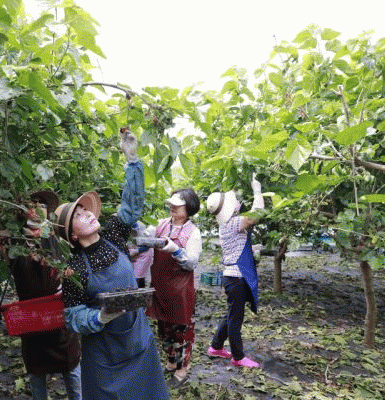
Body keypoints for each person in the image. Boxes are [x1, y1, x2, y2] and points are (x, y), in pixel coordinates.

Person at [54, 128, 169, 400]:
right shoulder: (74, 269)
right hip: (105, 355)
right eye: (79, 216)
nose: (87, 215)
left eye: (86, 210)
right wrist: (100, 317)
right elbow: (72, 317)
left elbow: (131, 206)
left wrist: (133, 161)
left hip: (137, 340)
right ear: (72, 235)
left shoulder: (114, 237)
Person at [0, 190, 82, 400]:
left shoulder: (56, 236)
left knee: (71, 368)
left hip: (57, 311)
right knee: (36, 372)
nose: (36, 208)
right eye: (31, 204)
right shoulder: (14, 240)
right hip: (31, 316)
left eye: (42, 205)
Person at [205, 173, 264, 368]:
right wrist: (257, 190)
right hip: (236, 279)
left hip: (232, 277)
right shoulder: (234, 223)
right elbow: (257, 214)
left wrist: (252, 249)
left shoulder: (226, 225)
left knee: (232, 313)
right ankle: (238, 357)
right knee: (235, 318)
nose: (238, 201)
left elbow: (237, 246)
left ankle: (216, 347)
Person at [144, 188, 202, 384]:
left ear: (189, 208)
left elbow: (191, 263)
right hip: (161, 286)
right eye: (172, 204)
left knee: (181, 329)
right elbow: (145, 236)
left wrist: (176, 250)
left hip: (180, 289)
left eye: (178, 205)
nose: (173, 207)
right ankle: (171, 361)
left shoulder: (193, 232)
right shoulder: (161, 224)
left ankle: (182, 370)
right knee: (164, 326)